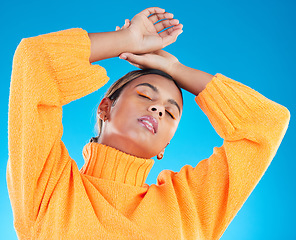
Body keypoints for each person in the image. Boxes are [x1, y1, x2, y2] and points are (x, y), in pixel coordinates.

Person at [7, 7, 290, 240]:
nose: (157, 109)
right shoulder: (49, 186)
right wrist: (127, 40)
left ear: (165, 145)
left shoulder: (188, 206)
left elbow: (265, 123)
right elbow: (35, 62)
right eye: (144, 95)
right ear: (105, 108)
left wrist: (175, 69)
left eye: (170, 113)